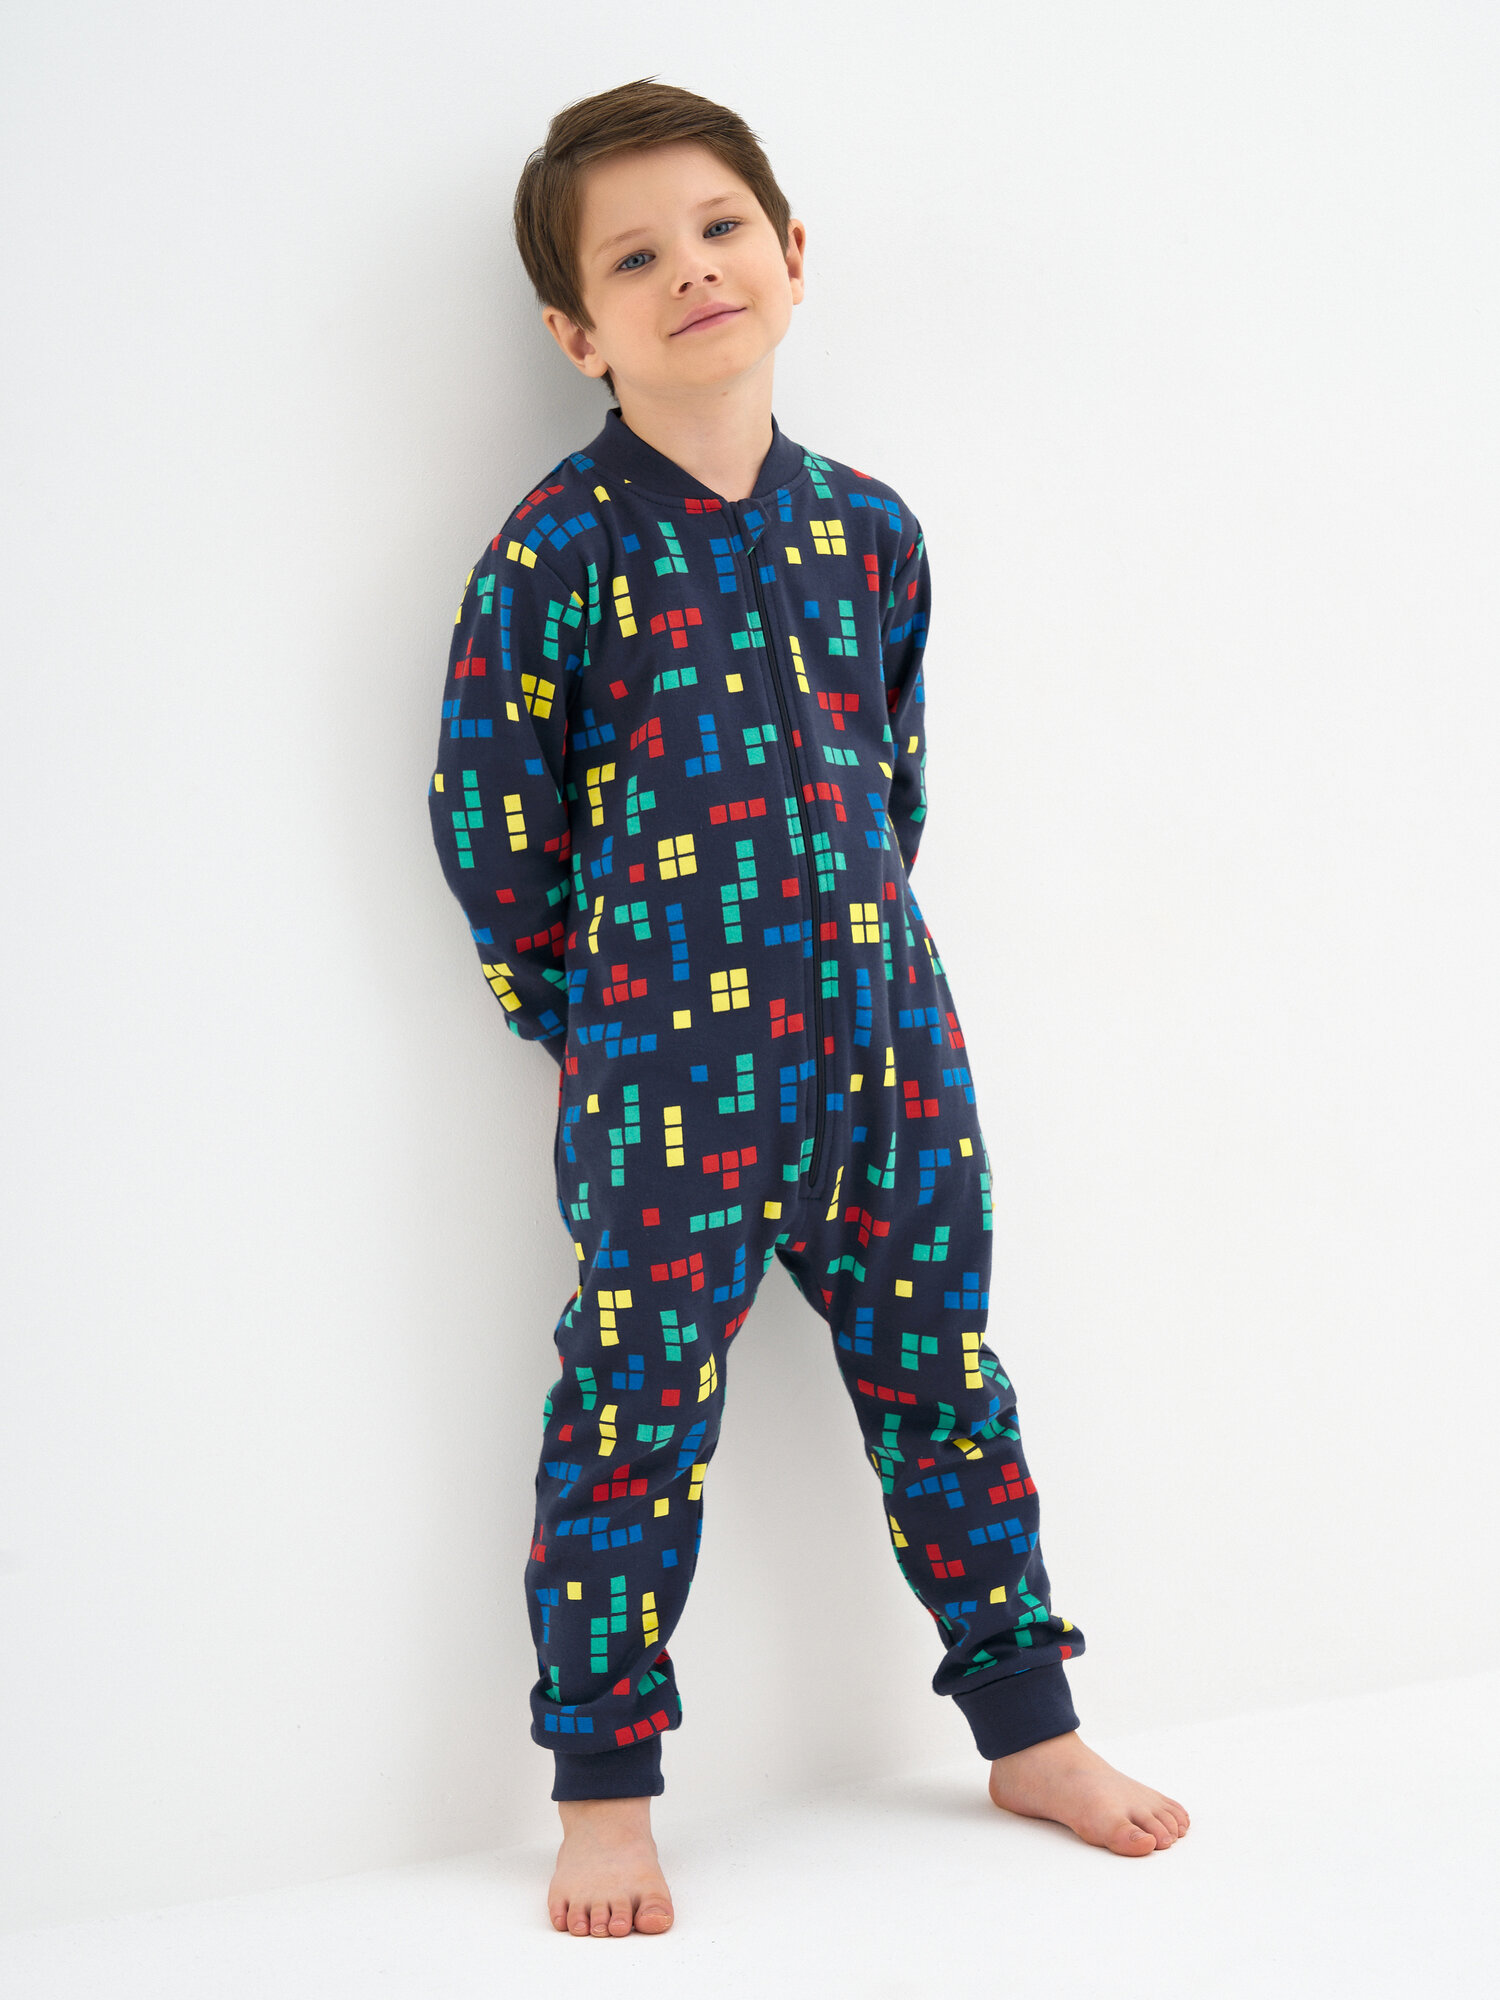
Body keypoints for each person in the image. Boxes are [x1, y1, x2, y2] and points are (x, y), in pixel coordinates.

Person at [427, 76, 1190, 1941]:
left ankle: (1028, 1730)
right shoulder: (556, 554)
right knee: (631, 1416)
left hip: (889, 1051)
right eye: (634, 259)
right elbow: (493, 825)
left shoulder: (872, 531)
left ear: (787, 253)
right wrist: (593, 1022)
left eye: (718, 229)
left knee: (949, 1381)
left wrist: (848, 959)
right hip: (661, 1072)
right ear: (578, 333)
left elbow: (889, 782)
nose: (690, 270)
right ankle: (604, 1797)